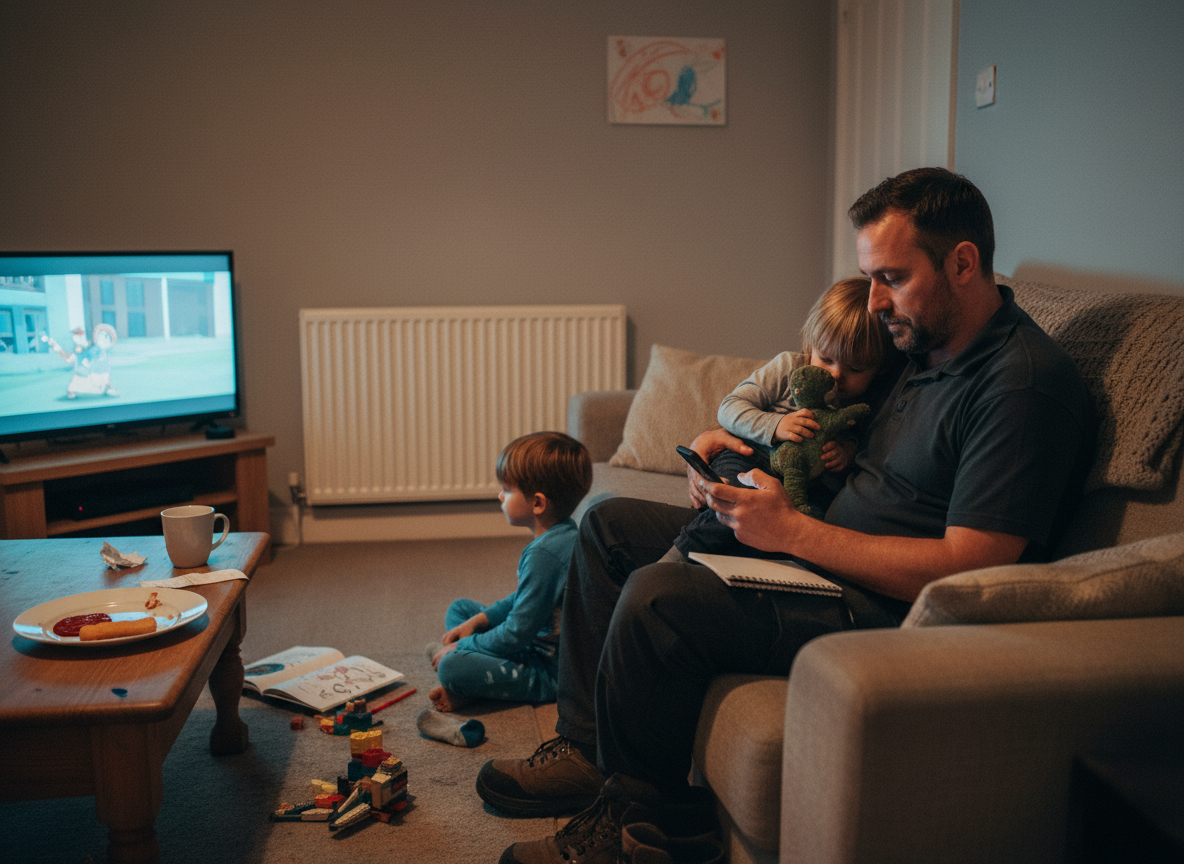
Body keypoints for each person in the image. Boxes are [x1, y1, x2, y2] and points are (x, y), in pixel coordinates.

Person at [480, 168, 1095, 864]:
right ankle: (588, 753)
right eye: (870, 278)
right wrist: (727, 449)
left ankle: (633, 827)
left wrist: (793, 533)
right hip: (813, 543)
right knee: (608, 525)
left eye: (891, 276)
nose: (876, 301)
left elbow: (972, 567)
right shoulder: (920, 345)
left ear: (962, 263)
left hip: (878, 606)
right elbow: (815, 391)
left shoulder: (1021, 386)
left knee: (661, 599)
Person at [667, 276, 901, 563]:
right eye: (826, 359)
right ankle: (678, 557)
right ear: (810, 347)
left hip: (801, 484)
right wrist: (775, 426)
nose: (837, 375)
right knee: (736, 500)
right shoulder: (789, 368)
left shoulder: (862, 403)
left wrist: (847, 452)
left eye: (854, 368)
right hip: (752, 459)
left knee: (812, 517)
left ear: (877, 369)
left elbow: (862, 443)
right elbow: (730, 407)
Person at [426, 431, 592, 713]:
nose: (500, 494)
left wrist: (467, 645)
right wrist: (479, 620)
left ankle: (471, 684)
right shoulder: (563, 534)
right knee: (461, 610)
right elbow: (523, 599)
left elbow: (516, 634)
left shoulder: (544, 555)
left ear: (538, 503)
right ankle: (475, 677)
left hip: (549, 672)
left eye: (508, 489)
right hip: (533, 641)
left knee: (452, 667)